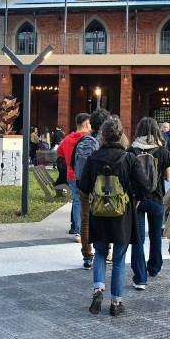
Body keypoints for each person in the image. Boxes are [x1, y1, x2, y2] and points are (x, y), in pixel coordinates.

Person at [77, 116, 137, 317]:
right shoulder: (129, 158)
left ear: (102, 135)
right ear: (120, 136)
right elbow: (141, 186)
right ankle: (116, 303)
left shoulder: (93, 158)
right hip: (122, 215)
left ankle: (98, 289)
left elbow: (83, 186)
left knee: (101, 252)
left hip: (99, 213)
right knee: (119, 258)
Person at [128, 117, 170, 290]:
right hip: (157, 198)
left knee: (137, 239)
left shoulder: (132, 150)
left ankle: (140, 278)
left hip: (137, 200)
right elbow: (168, 176)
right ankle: (154, 267)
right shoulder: (162, 151)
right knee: (155, 236)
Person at [74, 108, 111, 269]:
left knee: (85, 220)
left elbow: (72, 162)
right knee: (105, 218)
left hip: (83, 185)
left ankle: (87, 256)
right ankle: (104, 251)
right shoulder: (104, 143)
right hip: (102, 186)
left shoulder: (83, 141)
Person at [56, 113, 91, 242]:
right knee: (86, 202)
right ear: (87, 124)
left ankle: (76, 229)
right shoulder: (89, 139)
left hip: (71, 174)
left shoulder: (68, 138)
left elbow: (59, 152)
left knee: (76, 201)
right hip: (85, 175)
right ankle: (82, 230)